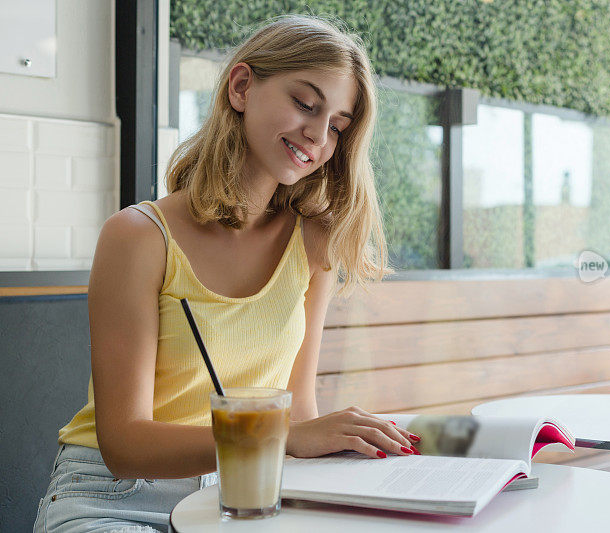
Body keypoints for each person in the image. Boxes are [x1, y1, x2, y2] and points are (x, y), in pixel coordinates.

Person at [34, 14, 420, 532]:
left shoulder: (313, 243)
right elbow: (124, 443)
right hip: (114, 499)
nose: (317, 134)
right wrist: (282, 436)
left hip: (243, 493)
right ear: (241, 87)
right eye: (306, 104)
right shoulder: (138, 237)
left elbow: (298, 410)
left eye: (337, 126)